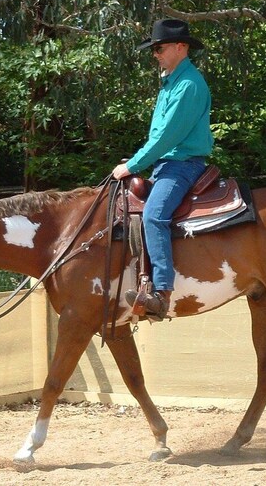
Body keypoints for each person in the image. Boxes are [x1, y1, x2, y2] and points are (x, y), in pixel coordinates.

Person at [112, 18, 213, 316]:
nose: (155, 54)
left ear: (181, 47)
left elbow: (168, 135)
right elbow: (157, 138)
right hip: (165, 164)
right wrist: (136, 162)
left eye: (159, 48)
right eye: (153, 49)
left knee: (154, 216)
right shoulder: (171, 83)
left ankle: (160, 294)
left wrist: (133, 165)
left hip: (182, 165)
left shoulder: (189, 85)